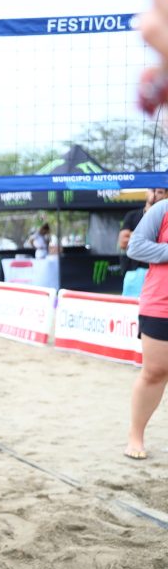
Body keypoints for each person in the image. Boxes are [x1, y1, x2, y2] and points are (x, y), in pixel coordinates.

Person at [125, 198, 168, 460]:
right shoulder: (163, 209)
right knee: (155, 372)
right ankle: (135, 436)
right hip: (161, 303)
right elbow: (135, 246)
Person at [120, 189, 167, 297]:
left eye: (159, 192)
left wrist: (135, 236)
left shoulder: (164, 214)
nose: (154, 195)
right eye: (152, 191)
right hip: (135, 271)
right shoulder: (132, 215)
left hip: (160, 273)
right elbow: (123, 242)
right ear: (146, 192)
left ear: (165, 195)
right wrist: (143, 239)